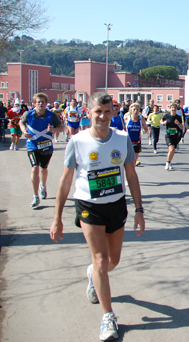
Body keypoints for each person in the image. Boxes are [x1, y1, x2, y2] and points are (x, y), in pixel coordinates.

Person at [49, 92, 145, 342]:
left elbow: (132, 176)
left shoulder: (123, 139)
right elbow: (65, 180)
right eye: (97, 111)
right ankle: (108, 317)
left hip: (116, 206)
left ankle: (93, 275)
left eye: (107, 111)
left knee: (113, 260)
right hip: (89, 207)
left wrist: (139, 210)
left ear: (113, 112)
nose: (102, 116)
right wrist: (57, 217)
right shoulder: (77, 141)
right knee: (101, 261)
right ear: (88, 113)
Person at [19, 93, 64, 208]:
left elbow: (62, 127)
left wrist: (53, 129)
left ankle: (43, 186)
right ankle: (35, 196)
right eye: (38, 102)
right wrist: (24, 131)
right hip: (32, 145)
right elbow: (21, 122)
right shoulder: (28, 114)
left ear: (46, 103)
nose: (40, 104)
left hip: (46, 146)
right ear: (34, 104)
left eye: (42, 102)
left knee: (43, 169)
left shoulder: (51, 115)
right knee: (35, 168)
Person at [160, 103, 183, 170]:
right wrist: (163, 123)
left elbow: (181, 127)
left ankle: (169, 162)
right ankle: (167, 163)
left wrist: (178, 123)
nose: (173, 109)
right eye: (172, 108)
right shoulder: (166, 116)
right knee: (171, 149)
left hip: (176, 135)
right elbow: (161, 120)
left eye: (174, 108)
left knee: (173, 151)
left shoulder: (178, 117)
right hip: (168, 135)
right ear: (170, 108)